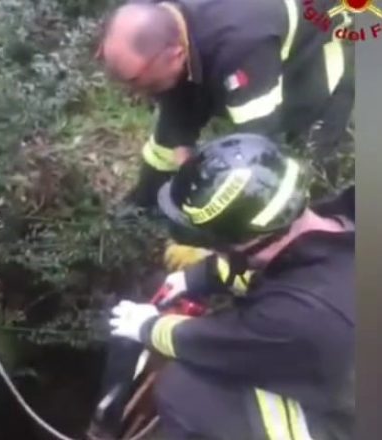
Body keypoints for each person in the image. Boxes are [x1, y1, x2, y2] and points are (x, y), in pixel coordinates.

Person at [108, 133, 356, 440]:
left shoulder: (302, 314)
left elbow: (215, 344)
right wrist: (194, 278)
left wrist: (148, 327)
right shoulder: (333, 222)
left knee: (186, 392)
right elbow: (275, 265)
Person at [98, 0, 355, 270]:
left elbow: (261, 154)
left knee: (298, 181)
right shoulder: (172, 27)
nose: (132, 93)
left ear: (175, 54)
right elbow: (170, 137)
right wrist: (139, 206)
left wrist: (214, 250)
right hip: (235, 47)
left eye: (134, 80)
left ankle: (317, 264)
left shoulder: (241, 46)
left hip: (310, 74)